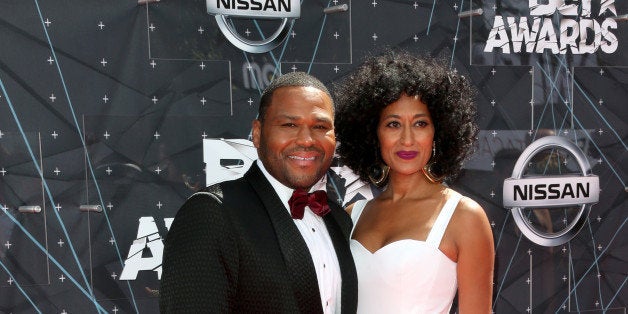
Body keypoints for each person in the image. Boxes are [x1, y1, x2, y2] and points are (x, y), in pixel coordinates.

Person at [159, 72, 358, 313]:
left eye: (320, 126)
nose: (306, 140)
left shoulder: (339, 220)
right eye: (289, 124)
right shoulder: (212, 214)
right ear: (257, 133)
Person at [334, 51, 495, 313]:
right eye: (393, 124)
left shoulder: (464, 217)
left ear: (438, 132)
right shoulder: (353, 215)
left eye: (420, 123)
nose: (407, 140)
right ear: (374, 135)